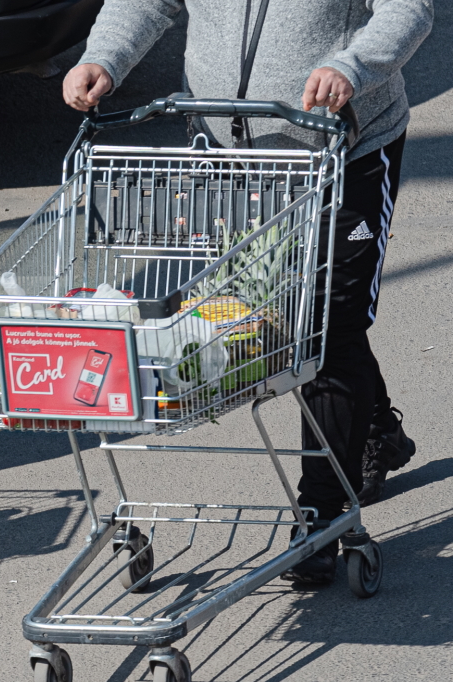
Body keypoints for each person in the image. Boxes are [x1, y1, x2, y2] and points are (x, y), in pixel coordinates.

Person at [63, 0, 432, 583]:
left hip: (343, 151)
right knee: (283, 319)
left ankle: (320, 513)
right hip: (231, 157)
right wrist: (104, 58)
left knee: (328, 323)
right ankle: (376, 430)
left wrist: (352, 66)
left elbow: (409, 9)